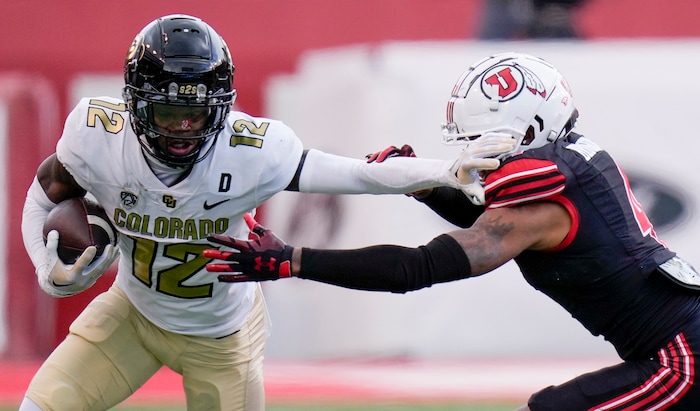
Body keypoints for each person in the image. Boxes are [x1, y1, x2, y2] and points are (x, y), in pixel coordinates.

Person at [18, 14, 507, 411]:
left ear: (223, 107)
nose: (184, 129)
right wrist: (47, 268)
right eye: (169, 113)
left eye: (199, 113)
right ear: (138, 105)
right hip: (132, 314)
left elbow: (356, 174)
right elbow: (42, 193)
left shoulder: (252, 150)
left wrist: (442, 171)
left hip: (221, 338)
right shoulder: (96, 134)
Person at [203, 52, 700, 410]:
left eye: (486, 138)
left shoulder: (544, 197)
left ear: (528, 128)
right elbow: (483, 219)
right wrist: (421, 184)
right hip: (675, 348)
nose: (478, 151)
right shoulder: (572, 164)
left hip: (681, 361)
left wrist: (294, 260)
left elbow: (419, 268)